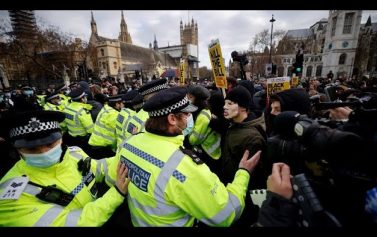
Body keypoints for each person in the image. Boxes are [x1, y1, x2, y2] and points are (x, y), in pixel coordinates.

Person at [112, 86, 261, 226]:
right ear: (172, 119)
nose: (190, 116)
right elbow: (226, 214)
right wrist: (243, 173)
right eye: (186, 113)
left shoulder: (129, 142)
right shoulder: (183, 167)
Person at [0, 110, 129, 226]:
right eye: (32, 149)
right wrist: (116, 194)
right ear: (18, 150)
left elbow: (100, 168)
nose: (43, 152)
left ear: (60, 138)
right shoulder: (10, 196)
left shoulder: (74, 154)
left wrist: (128, 151)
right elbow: (77, 223)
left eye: (50, 144)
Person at [221, 85, 267, 227]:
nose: (225, 107)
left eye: (230, 103)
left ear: (243, 107)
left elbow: (254, 176)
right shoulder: (234, 124)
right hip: (231, 186)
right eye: (225, 103)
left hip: (243, 194)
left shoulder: (252, 138)